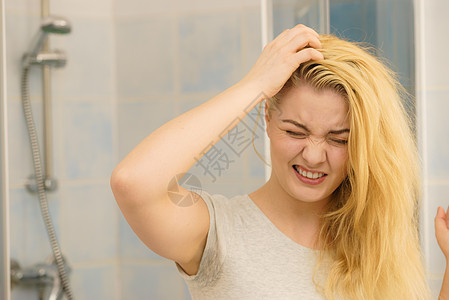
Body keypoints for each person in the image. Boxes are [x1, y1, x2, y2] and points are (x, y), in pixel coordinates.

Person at [111, 24, 449, 299]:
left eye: (339, 139)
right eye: (296, 131)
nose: (314, 155)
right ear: (268, 119)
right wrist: (255, 84)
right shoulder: (218, 234)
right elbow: (134, 182)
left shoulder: (375, 241)